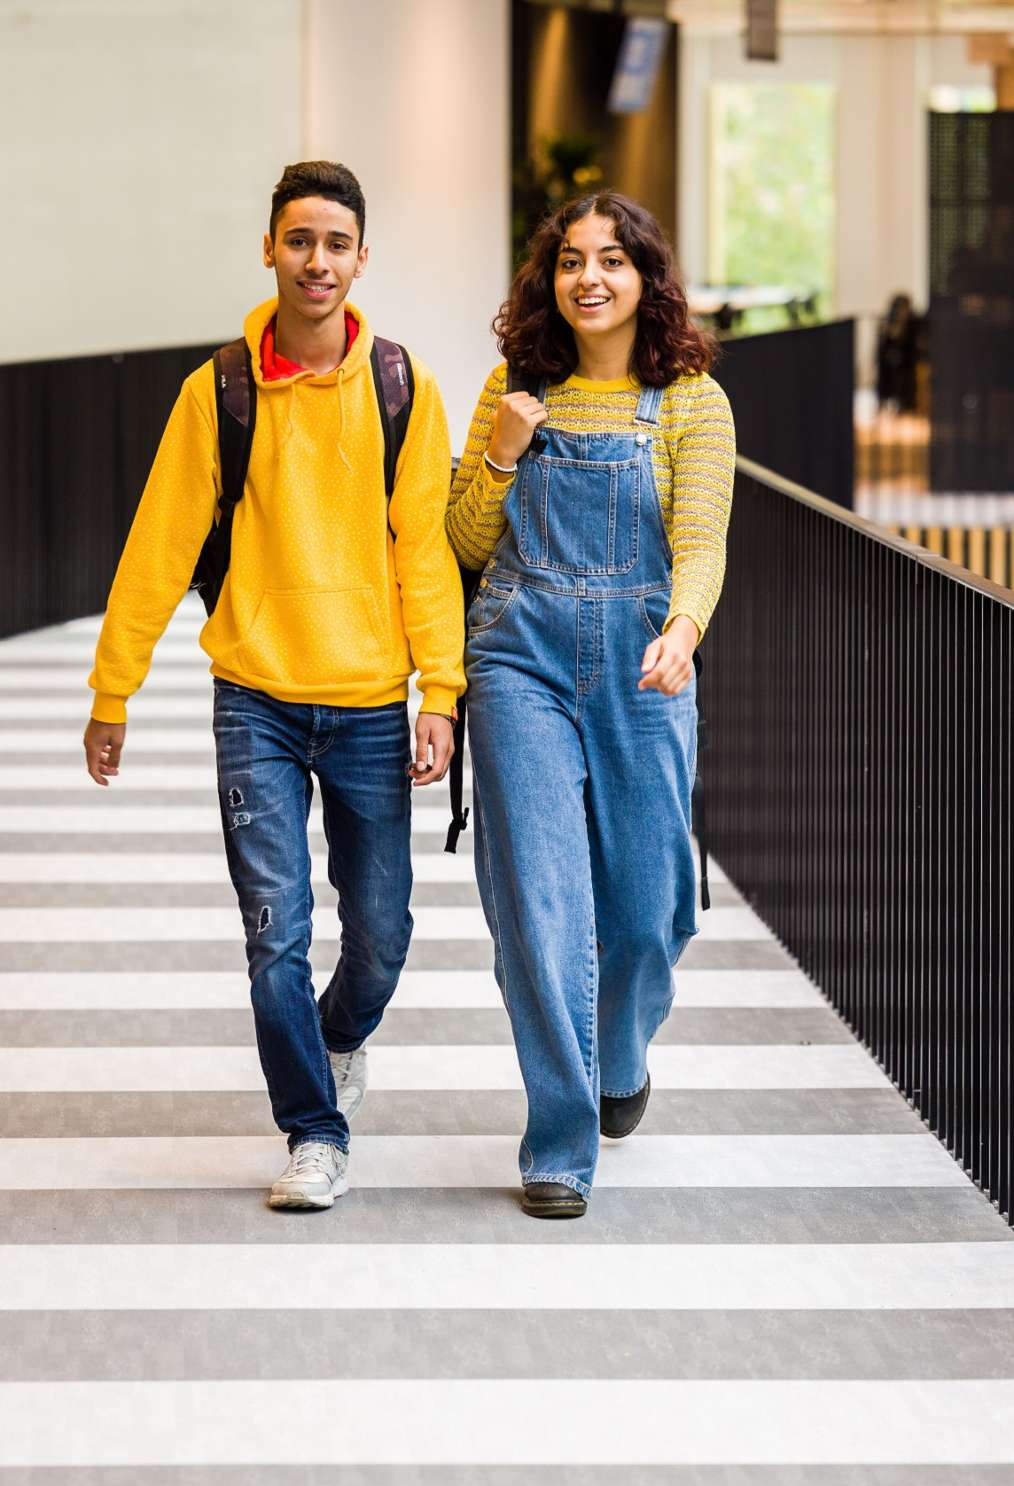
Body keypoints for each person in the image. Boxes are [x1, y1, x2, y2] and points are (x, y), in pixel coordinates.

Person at [83, 161, 464, 1209]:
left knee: (380, 935)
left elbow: (423, 553)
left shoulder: (403, 386)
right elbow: (158, 547)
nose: (317, 262)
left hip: (368, 700)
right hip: (253, 691)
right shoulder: (218, 390)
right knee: (276, 931)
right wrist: (113, 690)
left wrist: (442, 690)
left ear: (361, 259)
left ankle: (337, 1035)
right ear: (269, 248)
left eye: (337, 244)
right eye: (300, 240)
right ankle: (313, 1128)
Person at [447, 191, 735, 1219]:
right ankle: (561, 1141)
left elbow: (700, 541)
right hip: (518, 659)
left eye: (612, 260)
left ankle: (619, 1056)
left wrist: (684, 631)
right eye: (571, 260)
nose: (590, 278)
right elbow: (471, 541)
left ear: (645, 278)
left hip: (645, 661)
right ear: (549, 278)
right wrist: (499, 454)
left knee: (654, 911)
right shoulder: (509, 389)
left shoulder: (692, 403)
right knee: (541, 902)